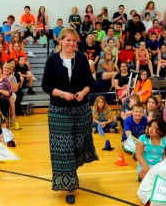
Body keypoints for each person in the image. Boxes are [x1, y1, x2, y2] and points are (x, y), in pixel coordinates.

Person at [42, 27, 98, 204]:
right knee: (63, 149)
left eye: (74, 41)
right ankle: (69, 187)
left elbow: (91, 82)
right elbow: (46, 85)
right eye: (68, 40)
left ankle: (72, 173)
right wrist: (61, 94)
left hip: (81, 111)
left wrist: (83, 92)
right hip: (59, 111)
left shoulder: (81, 58)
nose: (71, 44)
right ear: (60, 41)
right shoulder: (52, 60)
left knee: (78, 146)